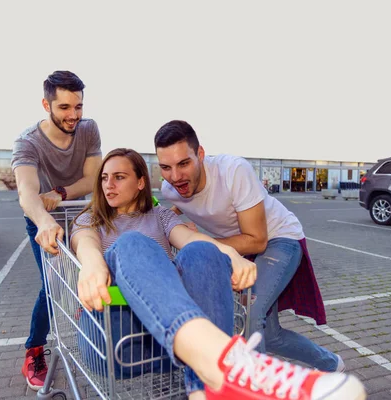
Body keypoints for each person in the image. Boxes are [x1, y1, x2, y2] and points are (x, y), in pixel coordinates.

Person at [70, 148, 365, 400]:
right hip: (111, 338)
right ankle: (229, 367)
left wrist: (233, 255)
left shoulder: (160, 216)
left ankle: (206, 388)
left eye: (119, 177)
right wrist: (93, 263)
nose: (109, 185)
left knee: (203, 252)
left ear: (140, 183)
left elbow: (189, 237)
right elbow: (85, 243)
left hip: (166, 344)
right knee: (133, 243)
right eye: (105, 178)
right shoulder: (90, 218)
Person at [154, 120, 343, 373]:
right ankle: (332, 365)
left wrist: (203, 245)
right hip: (243, 251)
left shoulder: (233, 171)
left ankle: (256, 387)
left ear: (200, 154)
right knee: (271, 335)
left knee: (251, 315)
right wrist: (178, 223)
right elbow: (171, 212)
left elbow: (257, 239)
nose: (175, 176)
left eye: (183, 163)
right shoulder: (171, 189)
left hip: (279, 239)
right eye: (166, 167)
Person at [11, 70, 102, 390]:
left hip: (79, 214)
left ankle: (91, 324)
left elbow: (93, 179)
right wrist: (45, 221)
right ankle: (34, 350)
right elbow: (26, 193)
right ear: (46, 104)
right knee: (51, 287)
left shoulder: (88, 129)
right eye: (64, 107)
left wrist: (61, 193)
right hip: (43, 220)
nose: (73, 115)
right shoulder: (27, 142)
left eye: (78, 106)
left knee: (94, 271)